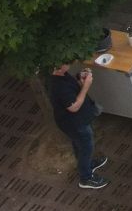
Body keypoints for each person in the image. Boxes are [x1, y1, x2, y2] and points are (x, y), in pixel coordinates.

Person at [44, 60, 106, 191]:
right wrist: (86, 86)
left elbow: (72, 91)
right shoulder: (59, 86)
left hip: (73, 121)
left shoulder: (60, 75)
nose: (69, 64)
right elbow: (73, 107)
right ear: (59, 67)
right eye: (66, 62)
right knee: (86, 146)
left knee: (80, 144)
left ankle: (87, 165)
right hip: (74, 123)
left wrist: (80, 78)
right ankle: (86, 177)